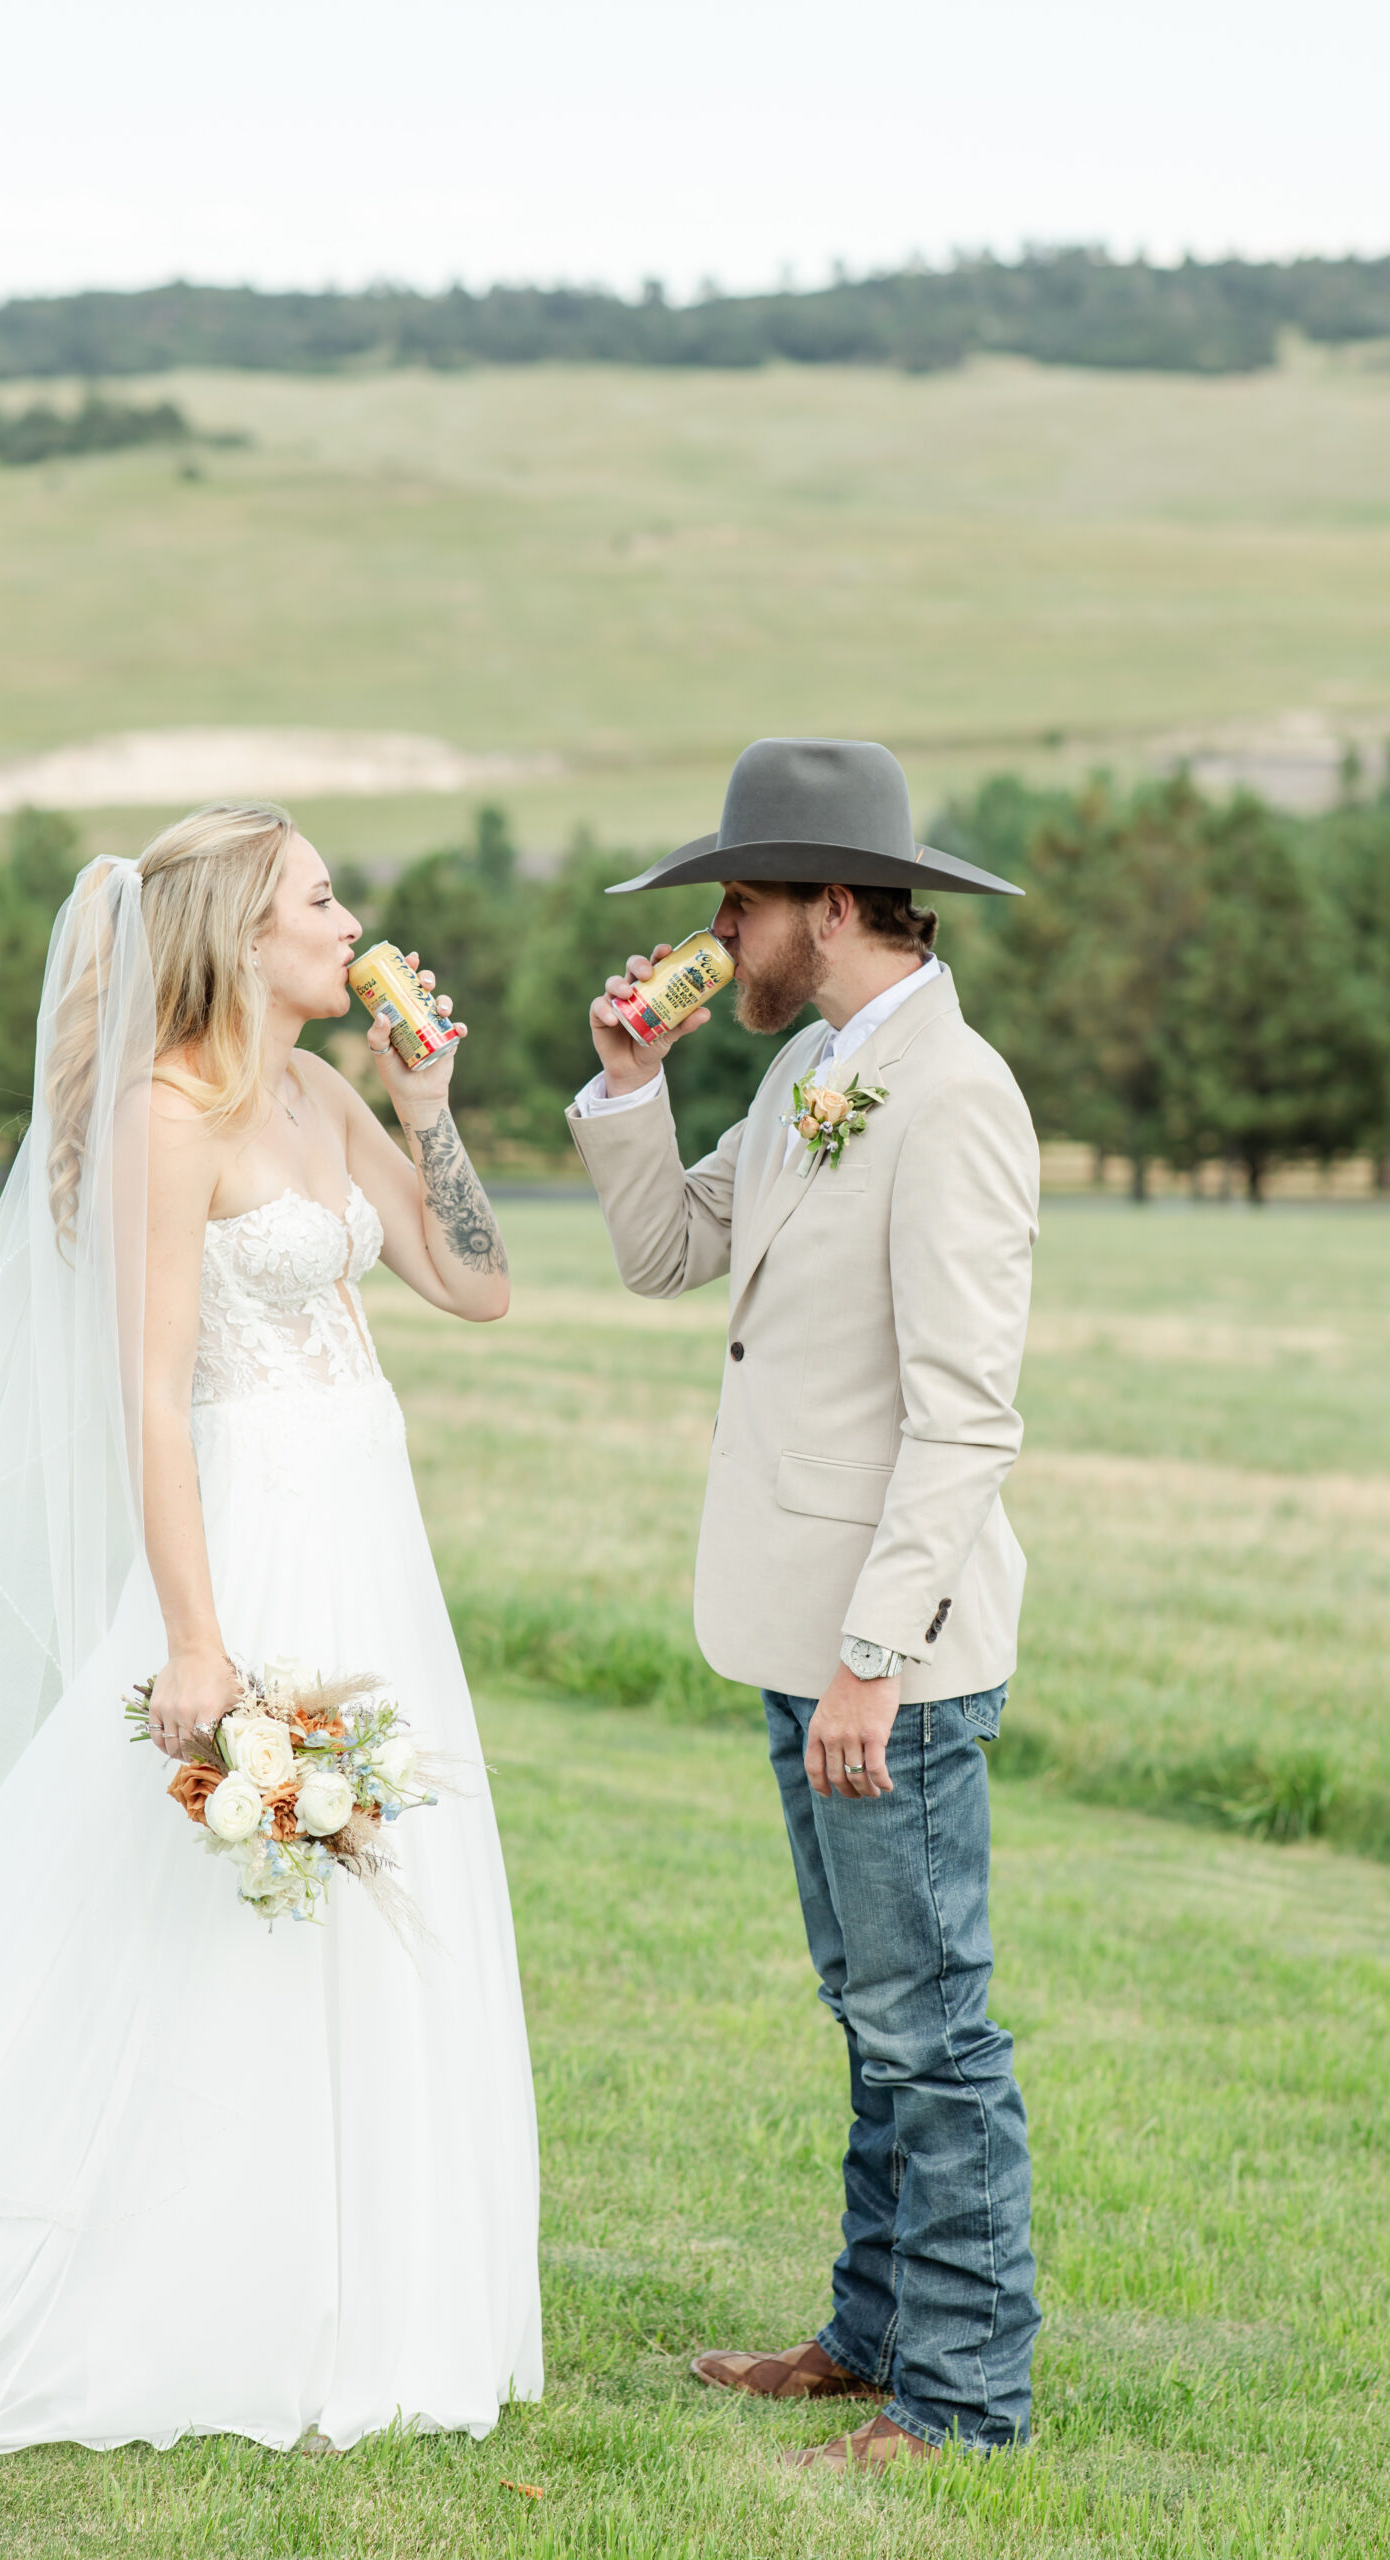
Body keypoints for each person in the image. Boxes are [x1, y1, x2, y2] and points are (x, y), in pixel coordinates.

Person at [0, 804, 542, 2468]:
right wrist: (200, 1643)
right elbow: (150, 1397)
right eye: (318, 895)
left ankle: (364, 2293)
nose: (347, 916)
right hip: (249, 1530)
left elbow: (475, 1284)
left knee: (381, 1889)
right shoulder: (171, 1115)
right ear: (240, 933)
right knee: (205, 1908)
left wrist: (430, 1109)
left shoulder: (320, 1089)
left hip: (372, 1533)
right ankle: (188, 2279)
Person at [568, 738, 1041, 2474]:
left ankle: (966, 2394)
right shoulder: (810, 1077)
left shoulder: (956, 1095)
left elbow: (966, 1410)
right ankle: (866, 2334)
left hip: (885, 1660)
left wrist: (872, 1660)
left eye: (738, 904)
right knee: (870, 2011)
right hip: (799, 1629)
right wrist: (629, 1087)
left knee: (932, 2024)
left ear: (828, 907)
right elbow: (675, 1255)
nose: (719, 933)